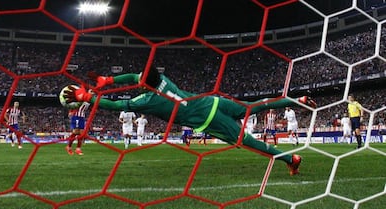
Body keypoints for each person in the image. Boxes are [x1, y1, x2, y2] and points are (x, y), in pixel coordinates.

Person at [63, 66, 317, 175]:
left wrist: (88, 96)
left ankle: (290, 158)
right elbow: (135, 75)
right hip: (212, 101)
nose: (137, 80)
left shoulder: (146, 102)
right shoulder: (162, 81)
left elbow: (117, 104)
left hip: (206, 119)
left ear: (144, 85)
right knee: (252, 107)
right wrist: (109, 81)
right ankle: (296, 99)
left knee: (247, 142)